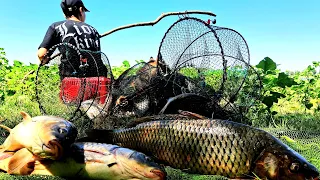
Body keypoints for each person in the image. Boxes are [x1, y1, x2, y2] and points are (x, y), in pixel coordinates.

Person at [37, 0, 108, 79]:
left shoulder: (56, 27)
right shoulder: (93, 30)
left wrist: (45, 60)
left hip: (70, 82)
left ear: (64, 14)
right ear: (81, 10)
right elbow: (96, 57)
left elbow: (41, 54)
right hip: (96, 82)